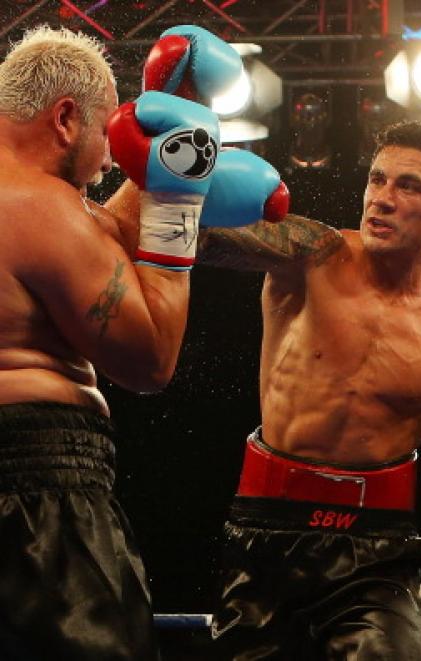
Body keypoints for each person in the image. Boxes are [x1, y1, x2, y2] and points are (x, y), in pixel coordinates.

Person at [0, 22, 258, 660]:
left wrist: (173, 140)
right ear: (65, 118)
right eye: (102, 135)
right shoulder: (42, 205)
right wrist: (175, 203)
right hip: (32, 491)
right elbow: (149, 360)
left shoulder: (38, 210)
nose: (111, 158)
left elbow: (91, 237)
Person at [195, 120, 421, 659]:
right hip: (264, 531)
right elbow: (191, 237)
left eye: (408, 186)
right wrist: (180, 175)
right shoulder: (314, 253)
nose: (382, 198)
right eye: (377, 180)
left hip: (379, 553)